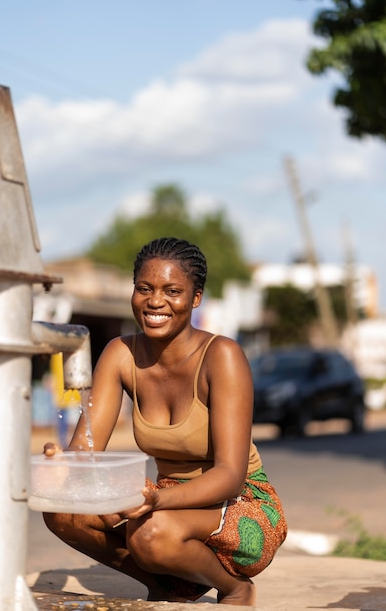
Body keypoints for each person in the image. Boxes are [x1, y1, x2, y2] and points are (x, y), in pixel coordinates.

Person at [43, 237, 287, 606]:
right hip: (165, 503)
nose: (155, 301)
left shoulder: (222, 356)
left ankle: (234, 587)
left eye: (172, 291)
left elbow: (230, 474)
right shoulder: (120, 353)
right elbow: (85, 451)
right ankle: (168, 585)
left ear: (196, 298)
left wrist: (157, 500)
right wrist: (63, 463)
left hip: (241, 505)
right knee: (61, 508)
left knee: (150, 533)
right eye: (145, 288)